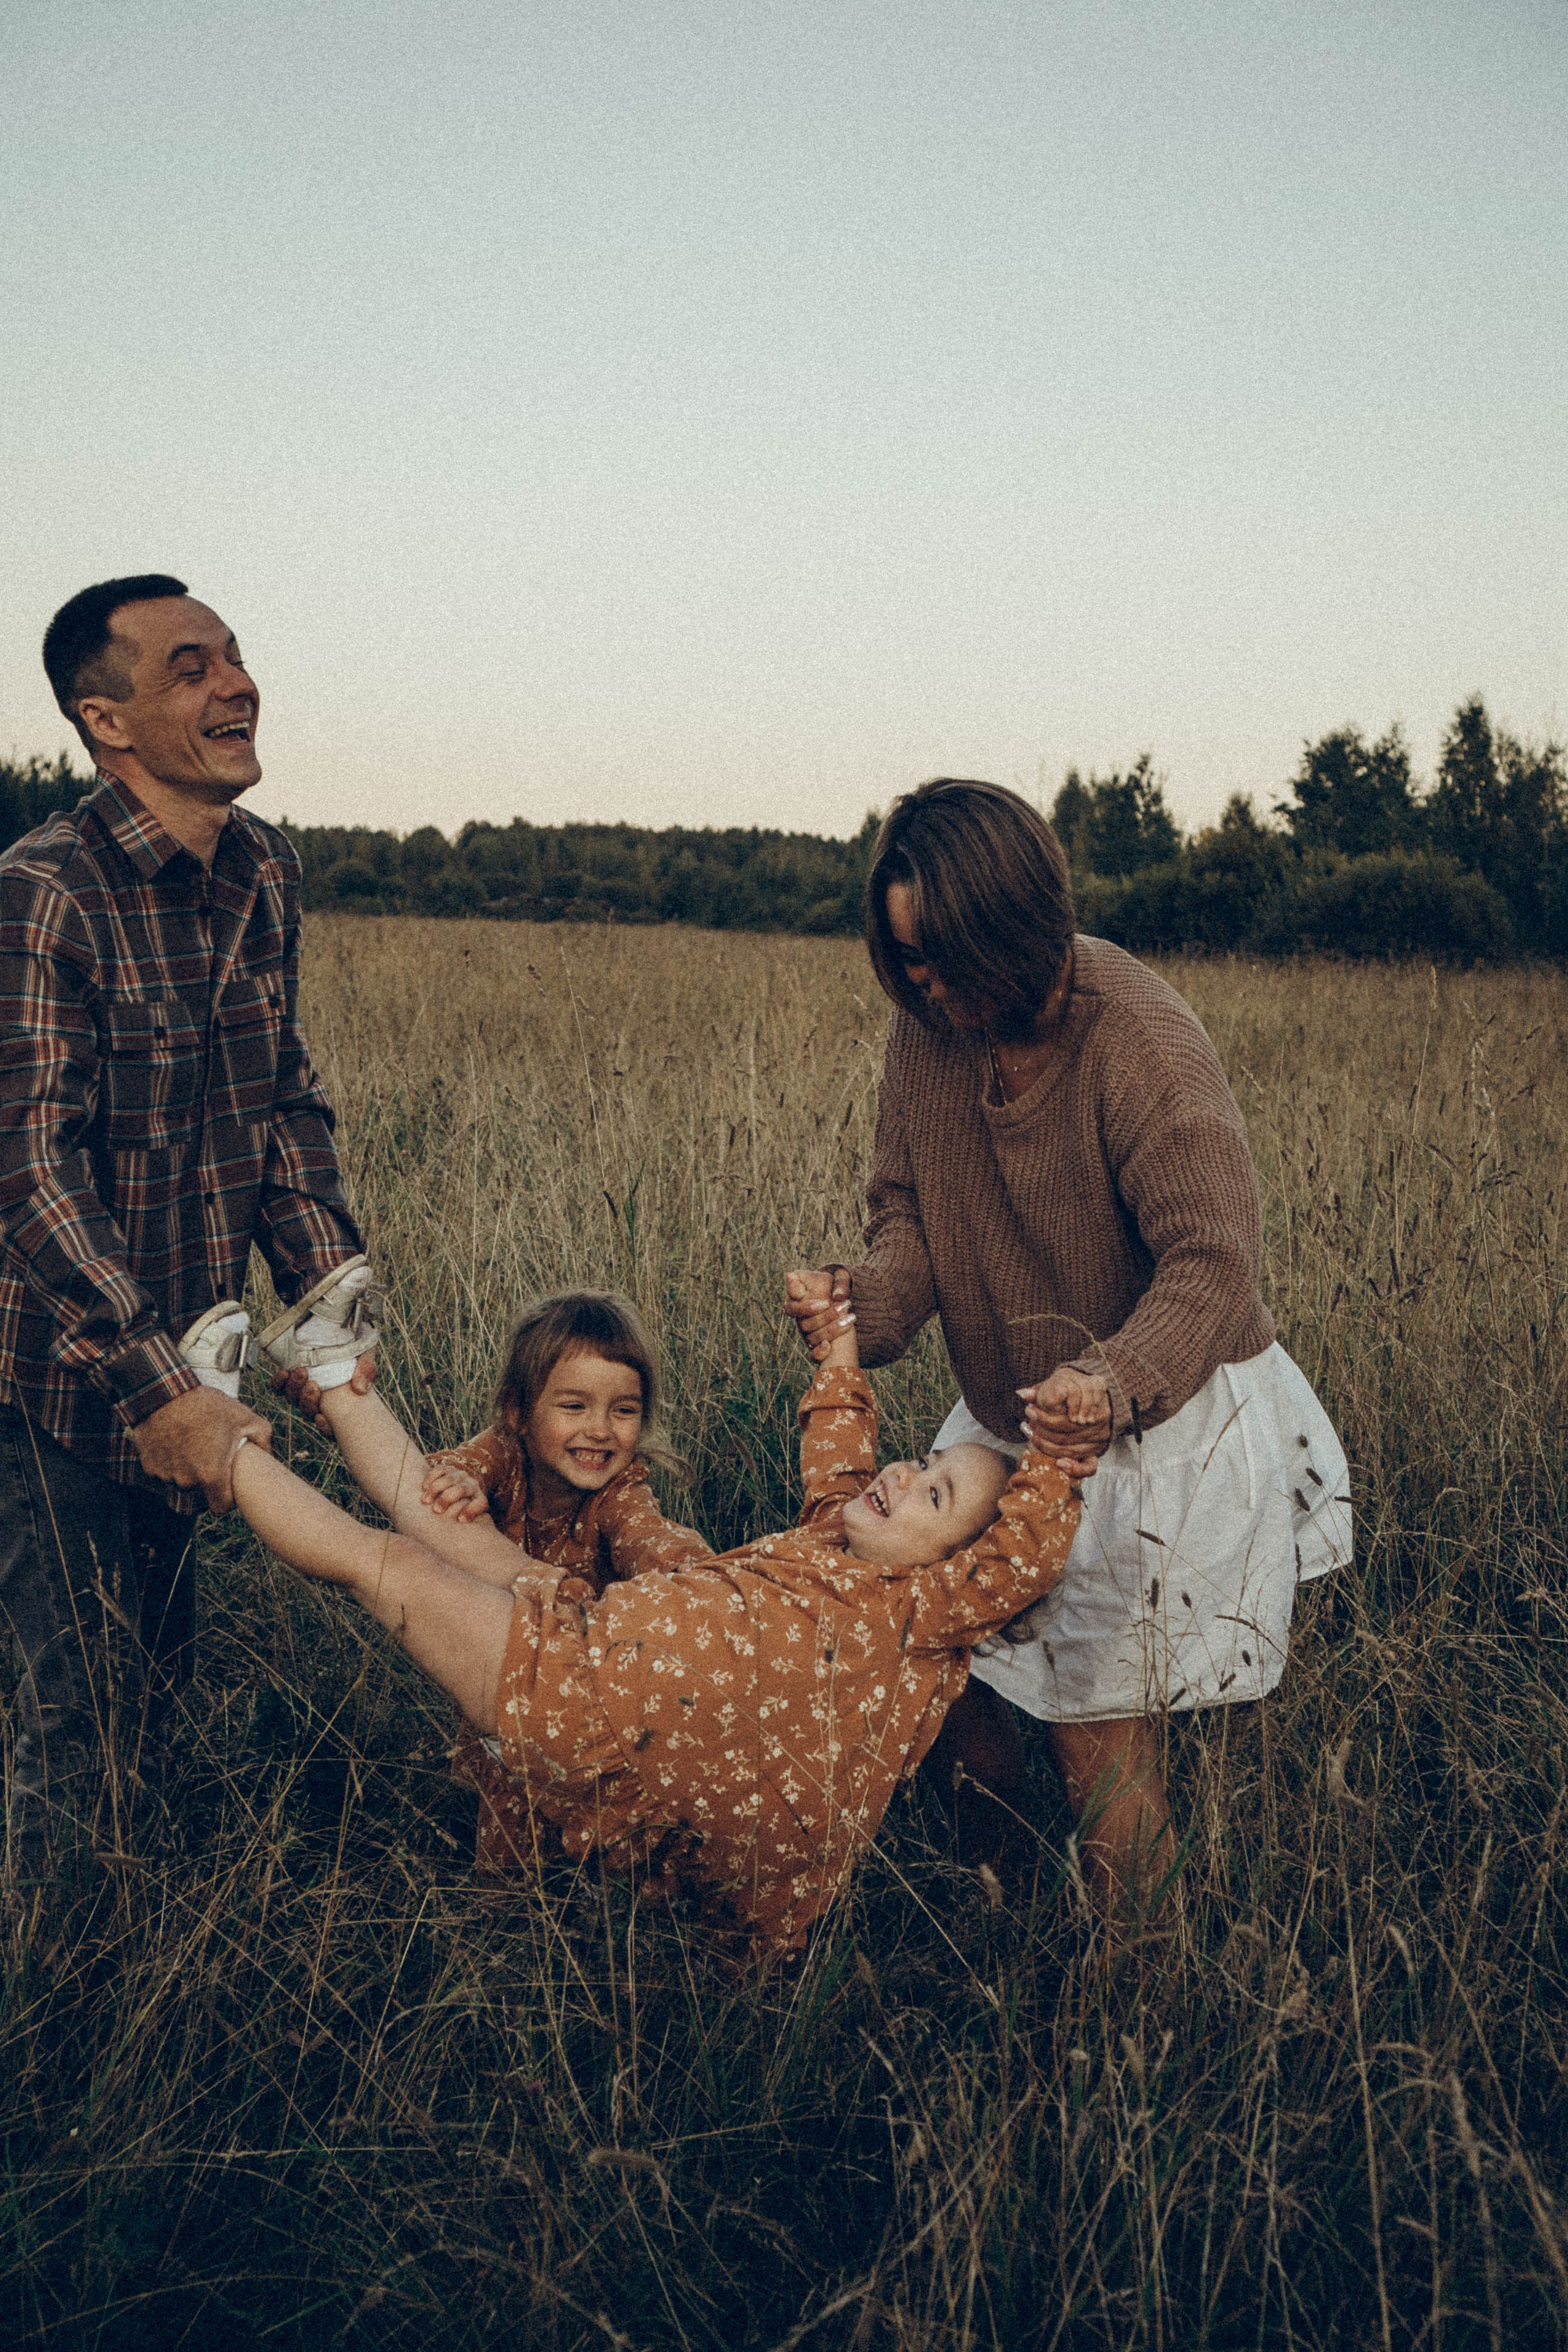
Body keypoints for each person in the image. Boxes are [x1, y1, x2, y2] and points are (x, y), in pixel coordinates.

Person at [787, 778, 1352, 1914]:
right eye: (903, 961)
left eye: (938, 957)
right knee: (947, 1679)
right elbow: (908, 1209)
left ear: (1012, 929)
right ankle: (992, 1919)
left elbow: (1213, 1260)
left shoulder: (1138, 1037)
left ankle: (1136, 1996)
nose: (920, 984)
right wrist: (865, 1307)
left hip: (1164, 1415)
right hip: (1013, 1418)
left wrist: (1112, 1378)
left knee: (1097, 1730)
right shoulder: (930, 1029)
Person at [222, 1280, 1080, 1956]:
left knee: (391, 1563)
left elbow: (1027, 1554)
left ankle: (213, 1436)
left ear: (965, 1572)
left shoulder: (922, 1610)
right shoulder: (838, 1537)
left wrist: (1057, 1455)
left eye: (937, 1492)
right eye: (924, 1457)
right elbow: (840, 1442)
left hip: (602, 1706)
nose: (903, 1474)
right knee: (415, 1548)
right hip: (595, 1666)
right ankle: (326, 1378)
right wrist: (838, 1343)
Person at [0, 575, 369, 1873]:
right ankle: (54, 2034)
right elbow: (26, 1166)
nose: (236, 686)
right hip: (61, 1393)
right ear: (105, 722)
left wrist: (328, 1308)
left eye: (235, 658)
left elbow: (279, 1101)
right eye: (190, 668)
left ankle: (141, 1980)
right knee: (77, 1734)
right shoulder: (44, 893)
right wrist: (157, 1390)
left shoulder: (264, 871)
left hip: (196, 1383)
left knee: (154, 1706)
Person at [418, 1288, 718, 1869]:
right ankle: (503, 1921)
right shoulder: (502, 1456)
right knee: (510, 1801)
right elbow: (450, 1470)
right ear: (518, 1411)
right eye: (574, 1407)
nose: (600, 1431)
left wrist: (699, 1576)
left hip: (585, 1676)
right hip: (500, 1665)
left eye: (624, 1410)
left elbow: (648, 1536)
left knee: (597, 1817)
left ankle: (591, 1906)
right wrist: (459, 1483)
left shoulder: (620, 1489)